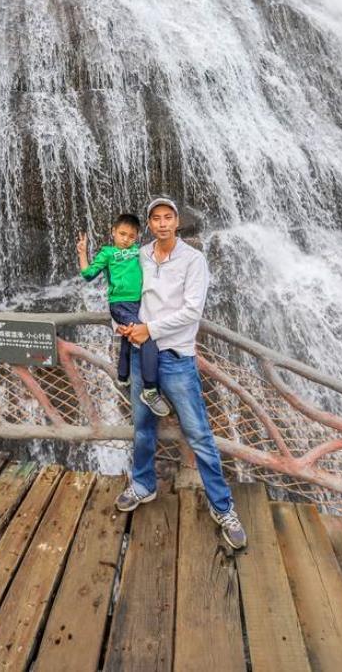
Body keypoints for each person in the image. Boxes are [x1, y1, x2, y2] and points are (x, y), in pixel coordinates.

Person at [114, 196, 247, 550]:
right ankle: (143, 485)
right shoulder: (140, 255)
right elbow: (126, 292)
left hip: (177, 359)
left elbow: (192, 312)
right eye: (155, 218)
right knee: (143, 429)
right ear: (150, 224)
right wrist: (126, 325)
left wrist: (149, 330)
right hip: (143, 356)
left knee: (199, 435)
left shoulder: (193, 260)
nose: (161, 223)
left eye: (167, 217)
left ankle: (223, 508)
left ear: (176, 222)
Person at [77, 214, 170, 417]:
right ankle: (150, 390)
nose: (126, 239)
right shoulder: (107, 253)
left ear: (136, 237)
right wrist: (83, 253)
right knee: (147, 337)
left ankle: (122, 376)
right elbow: (88, 275)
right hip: (119, 305)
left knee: (129, 339)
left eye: (131, 236)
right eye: (122, 234)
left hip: (139, 304)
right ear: (113, 232)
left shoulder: (138, 251)